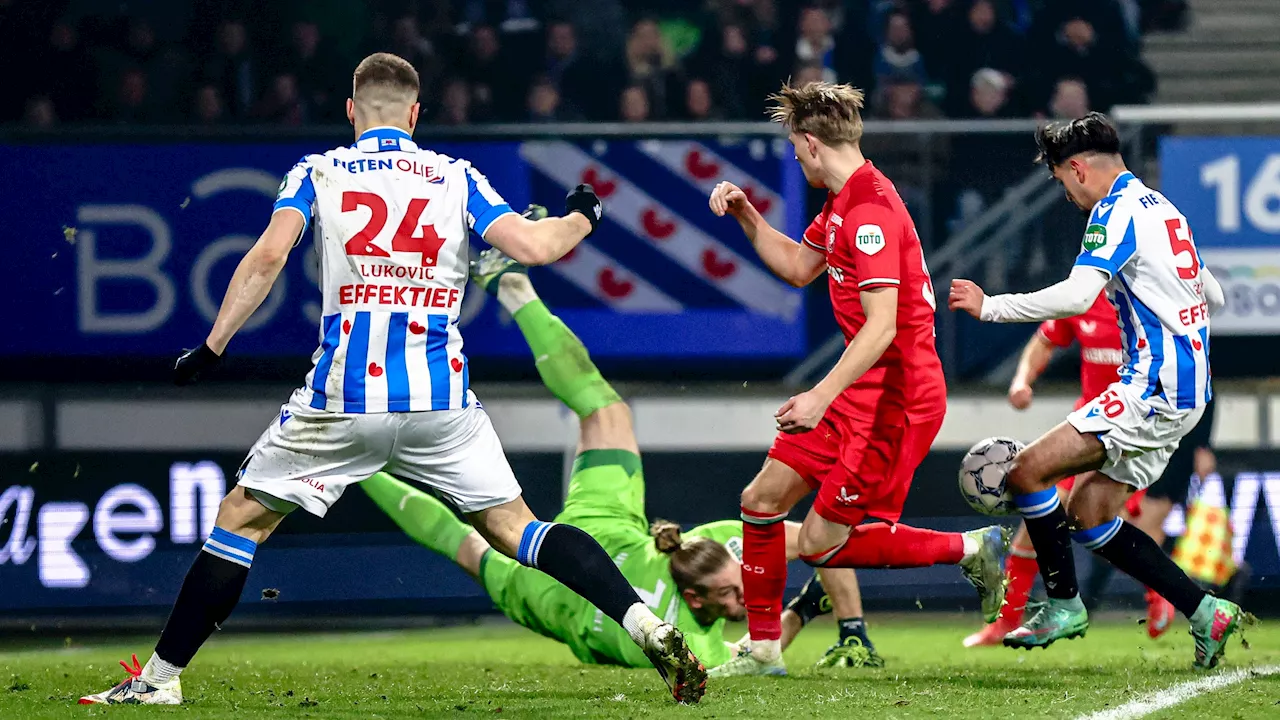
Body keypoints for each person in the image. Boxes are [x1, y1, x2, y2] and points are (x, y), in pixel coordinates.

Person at [80, 52, 707, 706]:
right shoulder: (455, 176)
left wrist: (212, 346)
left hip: (342, 398)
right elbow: (534, 248)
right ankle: (644, 621)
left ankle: (159, 681)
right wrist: (583, 214)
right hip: (441, 404)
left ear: (352, 111)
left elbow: (268, 256)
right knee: (520, 530)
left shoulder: (318, 171)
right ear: (415, 113)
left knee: (239, 521)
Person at [362, 237, 880, 670]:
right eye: (731, 593)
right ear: (696, 602)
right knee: (471, 545)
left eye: (737, 586)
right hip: (555, 584)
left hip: (599, 536)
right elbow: (750, 656)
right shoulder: (685, 636)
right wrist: (808, 609)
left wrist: (836, 615)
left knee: (605, 415)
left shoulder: (713, 546)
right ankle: (363, 467)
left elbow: (815, 546)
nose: (745, 593)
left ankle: (511, 296)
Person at [706, 80, 1008, 677]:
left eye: (796, 149)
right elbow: (797, 266)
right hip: (861, 387)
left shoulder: (868, 211)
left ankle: (974, 548)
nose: (796, 159)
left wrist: (820, 395)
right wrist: (747, 215)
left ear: (813, 144)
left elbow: (882, 327)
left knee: (821, 543)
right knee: (761, 501)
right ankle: (764, 650)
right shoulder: (842, 203)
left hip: (896, 397)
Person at [948, 112, 1246, 668]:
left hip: (1152, 384)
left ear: (1078, 169)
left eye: (1062, 181)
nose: (1066, 195)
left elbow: (1077, 297)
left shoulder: (1115, 211)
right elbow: (1216, 295)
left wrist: (991, 307)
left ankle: (1063, 602)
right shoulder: (1164, 208)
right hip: (1188, 389)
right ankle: (1206, 612)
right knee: (1088, 512)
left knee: (1025, 471)